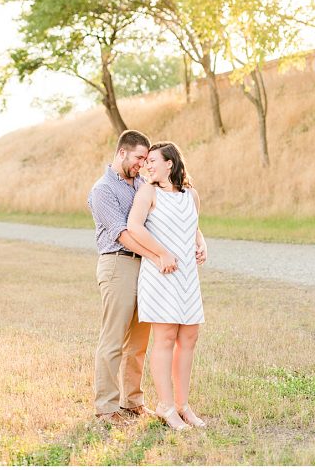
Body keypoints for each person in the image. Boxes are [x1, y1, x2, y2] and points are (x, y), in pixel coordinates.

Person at [88, 129, 172, 424]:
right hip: (118, 264)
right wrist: (156, 256)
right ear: (122, 152)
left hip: (144, 268)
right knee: (113, 339)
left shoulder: (142, 184)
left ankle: (132, 401)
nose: (142, 164)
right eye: (139, 157)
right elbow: (122, 234)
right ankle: (106, 407)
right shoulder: (102, 190)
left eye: (146, 159)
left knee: (138, 341)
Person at [125, 141, 208, 431]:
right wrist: (162, 253)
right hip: (160, 274)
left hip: (187, 277)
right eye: (145, 161)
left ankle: (183, 405)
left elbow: (193, 226)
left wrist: (201, 243)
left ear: (169, 164)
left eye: (152, 161)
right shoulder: (148, 192)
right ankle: (166, 406)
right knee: (165, 337)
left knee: (189, 337)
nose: (147, 166)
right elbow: (134, 227)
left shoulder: (191, 196)